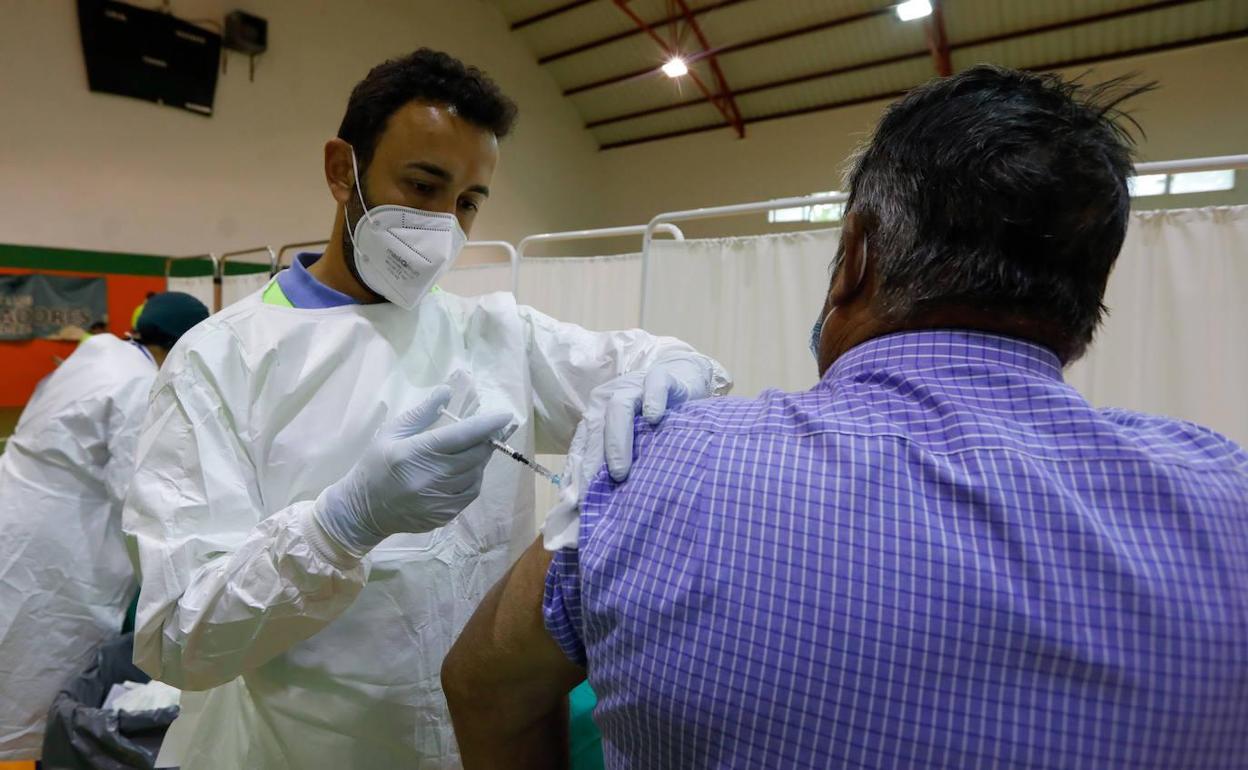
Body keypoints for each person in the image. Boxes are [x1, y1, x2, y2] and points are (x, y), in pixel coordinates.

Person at [442, 66, 1248, 769]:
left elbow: (482, 684)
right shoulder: (1227, 501)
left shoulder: (660, 464)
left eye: (469, 199)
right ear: (1088, 303)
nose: (447, 220)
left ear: (854, 257)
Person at [122, 49, 729, 769]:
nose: (444, 223)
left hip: (478, 745)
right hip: (296, 750)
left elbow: (642, 363)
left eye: (468, 201)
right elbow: (175, 638)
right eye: (422, 185)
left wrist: (676, 370)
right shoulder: (222, 361)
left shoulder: (493, 333)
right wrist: (341, 525)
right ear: (340, 170)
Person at [0, 292, 209, 760]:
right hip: (57, 542)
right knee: (43, 670)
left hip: (19, 508)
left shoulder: (101, 352)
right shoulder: (139, 385)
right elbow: (137, 493)